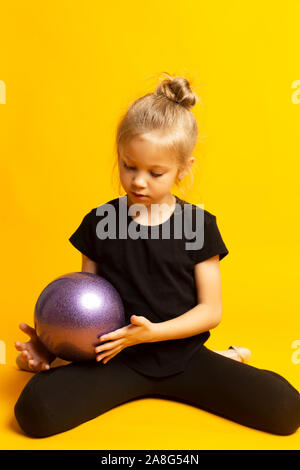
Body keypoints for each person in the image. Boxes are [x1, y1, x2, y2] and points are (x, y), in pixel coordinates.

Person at [14, 73, 300, 438]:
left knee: (286, 409)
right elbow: (85, 304)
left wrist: (151, 334)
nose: (138, 181)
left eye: (156, 172)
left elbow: (211, 311)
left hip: (185, 358)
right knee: (34, 412)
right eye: (129, 165)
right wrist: (47, 346)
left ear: (183, 169)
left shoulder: (199, 224)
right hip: (116, 360)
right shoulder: (100, 222)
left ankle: (224, 358)